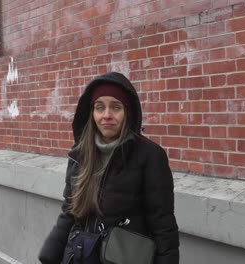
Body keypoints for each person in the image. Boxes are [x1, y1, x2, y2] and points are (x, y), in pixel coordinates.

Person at [39, 72, 179, 264]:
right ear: (91, 113)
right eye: (99, 107)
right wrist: (50, 253)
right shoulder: (80, 155)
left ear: (127, 111)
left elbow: (163, 226)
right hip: (80, 256)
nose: (107, 115)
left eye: (115, 107)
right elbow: (69, 211)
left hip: (121, 258)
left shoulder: (149, 156)